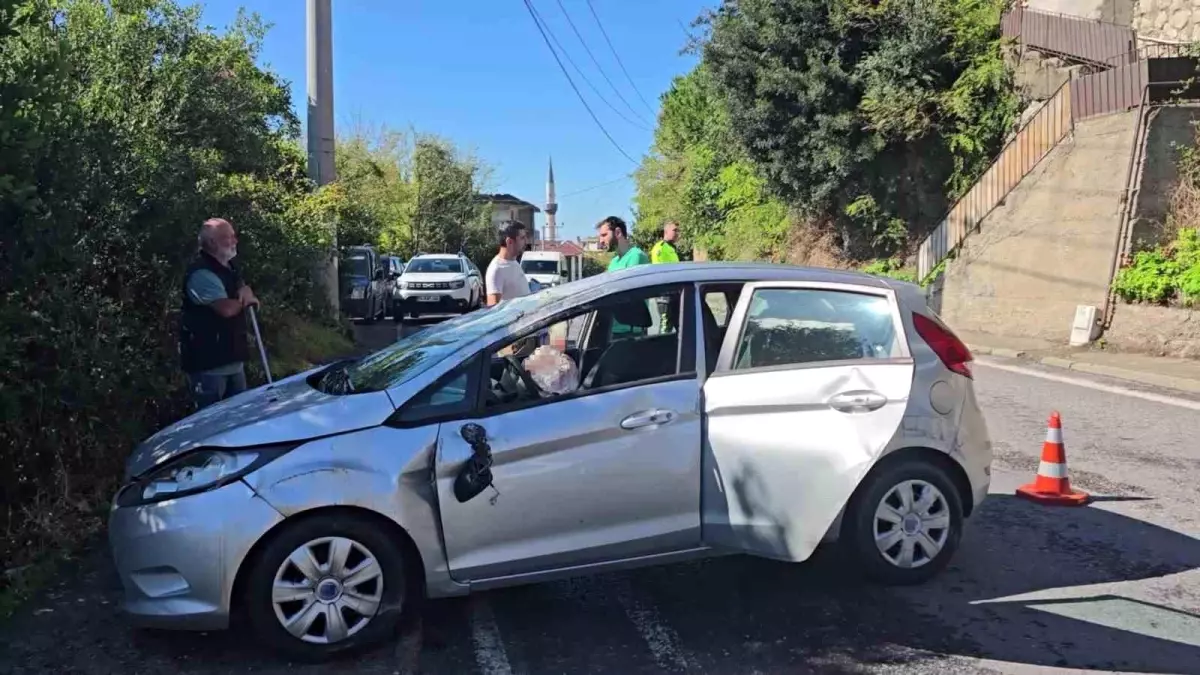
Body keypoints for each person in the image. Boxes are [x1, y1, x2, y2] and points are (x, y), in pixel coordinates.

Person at [179, 217, 260, 410]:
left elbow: (241, 289)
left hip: (232, 359)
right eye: (228, 237)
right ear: (213, 242)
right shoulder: (201, 273)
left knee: (239, 420)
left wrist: (245, 292)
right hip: (208, 366)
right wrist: (245, 299)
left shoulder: (229, 267)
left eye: (234, 236)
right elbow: (226, 309)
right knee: (210, 422)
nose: (235, 241)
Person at [485, 220, 532, 306]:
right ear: (509, 242)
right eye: (522, 238)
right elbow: (493, 311)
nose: (526, 241)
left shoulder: (514, 262)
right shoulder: (496, 270)